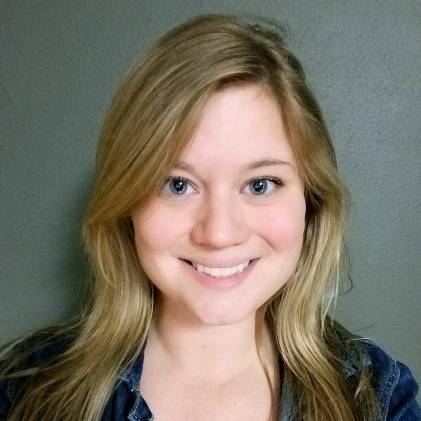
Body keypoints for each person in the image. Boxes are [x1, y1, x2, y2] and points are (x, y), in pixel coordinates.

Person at [0, 13, 420, 421]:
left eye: (260, 185)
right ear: (126, 200)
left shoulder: (378, 401)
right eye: (177, 185)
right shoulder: (25, 394)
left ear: (311, 200)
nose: (218, 233)